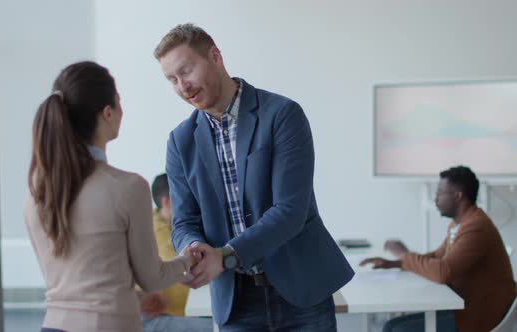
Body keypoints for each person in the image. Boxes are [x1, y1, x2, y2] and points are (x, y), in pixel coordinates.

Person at [154, 23, 354, 331]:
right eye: (172, 79)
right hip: (236, 303)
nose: (183, 86)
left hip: (302, 293)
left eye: (187, 71)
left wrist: (225, 255)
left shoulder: (282, 115)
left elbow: (290, 211)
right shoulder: (181, 141)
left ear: (215, 56)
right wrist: (193, 248)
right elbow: (183, 222)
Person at [24, 61, 196, 332]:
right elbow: (152, 277)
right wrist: (190, 260)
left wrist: (135, 297)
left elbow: (72, 281)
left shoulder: (37, 193)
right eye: (119, 101)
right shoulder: (127, 187)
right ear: (107, 113)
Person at [361, 166, 516, 332]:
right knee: (393, 325)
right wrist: (396, 263)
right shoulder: (459, 224)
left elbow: (442, 272)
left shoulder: (476, 227)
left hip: (480, 318)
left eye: (439, 194)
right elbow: (436, 257)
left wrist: (404, 254)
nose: (435, 199)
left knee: (396, 328)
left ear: (458, 196)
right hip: (466, 309)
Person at [140, 173, 213, 331]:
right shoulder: (154, 229)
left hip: (176, 310)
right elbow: (186, 264)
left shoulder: (166, 222)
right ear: (167, 202)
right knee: (220, 327)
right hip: (157, 316)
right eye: (184, 198)